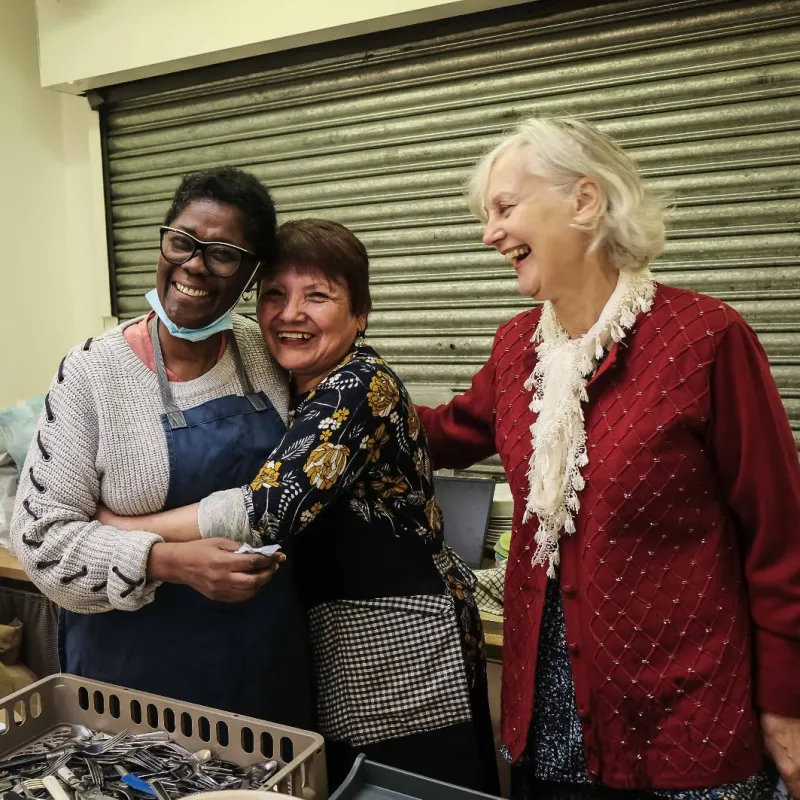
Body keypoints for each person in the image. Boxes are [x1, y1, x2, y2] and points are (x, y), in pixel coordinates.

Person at [415, 117, 800, 799]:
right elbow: (439, 433)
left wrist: (787, 701)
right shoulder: (515, 352)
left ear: (584, 201)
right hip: (552, 726)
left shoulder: (707, 338)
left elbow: (780, 539)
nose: (490, 234)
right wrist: (337, 388)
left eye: (505, 208)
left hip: (691, 724)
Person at [99, 219, 500, 794]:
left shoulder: (360, 384)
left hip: (400, 636)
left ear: (359, 314)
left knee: (407, 788)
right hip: (334, 632)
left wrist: (122, 528)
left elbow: (270, 506)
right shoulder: (293, 387)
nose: (290, 314)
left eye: (318, 296)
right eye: (274, 296)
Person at [11, 167, 312, 728]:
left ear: (251, 274)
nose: (194, 264)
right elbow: (41, 542)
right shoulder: (93, 372)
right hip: (135, 679)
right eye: (181, 241)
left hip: (265, 664)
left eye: (222, 254)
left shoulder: (269, 352)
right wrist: (164, 560)